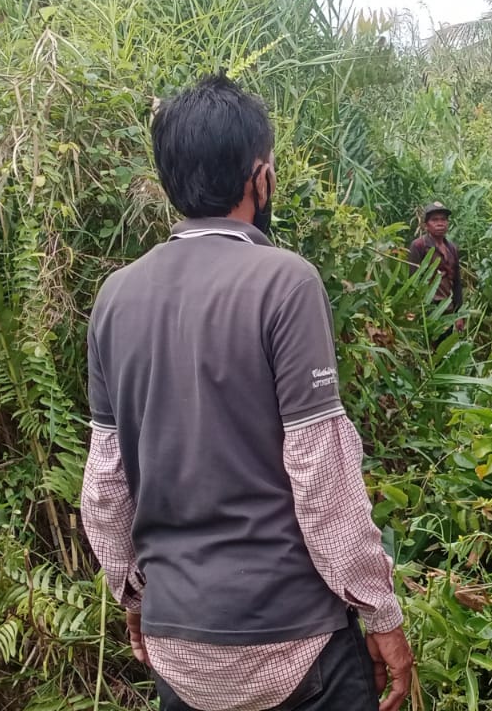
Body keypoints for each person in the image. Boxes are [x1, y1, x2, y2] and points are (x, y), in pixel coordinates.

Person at [80, 73, 414, 711]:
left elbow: (105, 486)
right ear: (258, 178)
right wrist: (380, 611)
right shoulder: (284, 282)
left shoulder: (114, 299)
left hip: (179, 647)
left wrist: (135, 595)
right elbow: (321, 475)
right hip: (296, 643)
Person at [406, 201, 465, 337]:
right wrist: (413, 311)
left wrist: (459, 314)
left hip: (447, 309)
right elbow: (413, 280)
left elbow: (456, 283)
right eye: (435, 220)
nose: (440, 223)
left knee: (445, 351)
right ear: (426, 225)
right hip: (427, 309)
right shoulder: (419, 246)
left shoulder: (452, 248)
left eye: (443, 219)